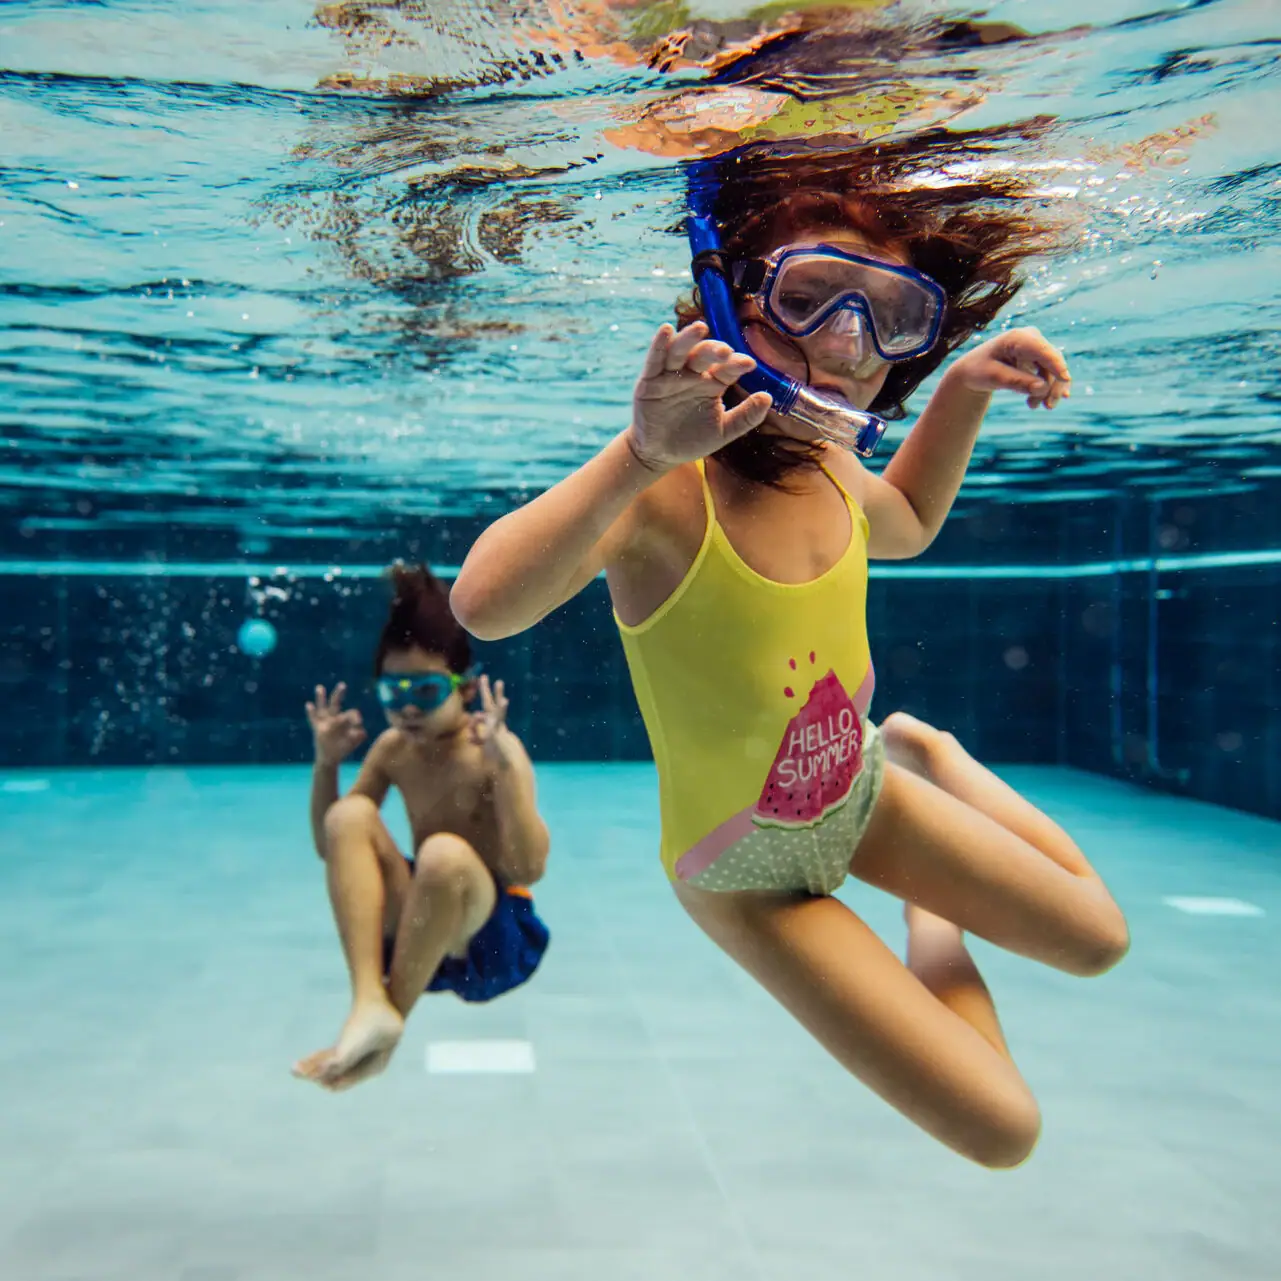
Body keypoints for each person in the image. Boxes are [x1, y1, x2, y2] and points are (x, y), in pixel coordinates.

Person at [449, 135, 1129, 1167]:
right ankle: (925, 898)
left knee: (1099, 942)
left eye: (890, 315)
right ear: (728, 294)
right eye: (816, 294)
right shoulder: (668, 496)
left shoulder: (826, 458)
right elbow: (484, 605)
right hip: (747, 874)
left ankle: (929, 752)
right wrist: (637, 456)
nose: (851, 342)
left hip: (864, 787)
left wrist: (965, 390)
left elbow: (904, 514)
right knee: (1005, 1130)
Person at [293, 565, 550, 1092]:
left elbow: (530, 869)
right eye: (393, 692)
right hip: (425, 930)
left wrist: (508, 771)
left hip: (493, 941)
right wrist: (326, 766)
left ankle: (392, 1023)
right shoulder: (393, 750)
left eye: (427, 691)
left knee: (443, 853)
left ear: (467, 687)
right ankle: (368, 1001)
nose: (408, 707)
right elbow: (334, 846)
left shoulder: (491, 752)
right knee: (350, 814)